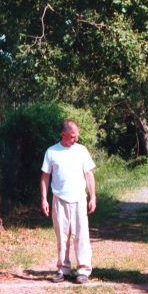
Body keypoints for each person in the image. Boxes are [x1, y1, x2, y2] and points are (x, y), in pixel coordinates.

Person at [40, 120, 96, 284]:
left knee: (81, 235)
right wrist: (44, 199)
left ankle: (83, 271)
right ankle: (63, 270)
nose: (75, 140)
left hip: (79, 199)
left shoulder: (82, 151)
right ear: (63, 134)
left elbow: (89, 175)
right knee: (62, 236)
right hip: (59, 199)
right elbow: (45, 177)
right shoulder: (51, 152)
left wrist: (92, 197)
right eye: (72, 137)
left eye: (77, 136)